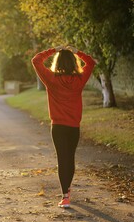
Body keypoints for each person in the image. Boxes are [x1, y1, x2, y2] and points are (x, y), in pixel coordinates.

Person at [31, 45, 96, 208]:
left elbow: (36, 60)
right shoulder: (79, 80)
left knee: (62, 158)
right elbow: (91, 62)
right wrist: (77, 51)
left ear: (57, 62)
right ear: (74, 63)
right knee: (70, 158)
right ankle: (67, 190)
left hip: (58, 127)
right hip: (74, 126)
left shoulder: (51, 79)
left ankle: (65, 196)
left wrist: (54, 50)